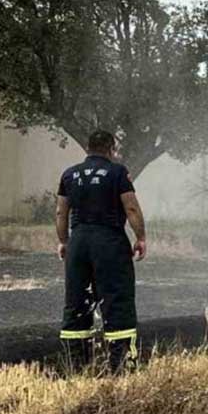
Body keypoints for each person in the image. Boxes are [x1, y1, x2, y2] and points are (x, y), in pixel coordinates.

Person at [55, 130, 147, 373]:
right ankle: (122, 366)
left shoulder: (69, 174)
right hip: (109, 241)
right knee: (117, 299)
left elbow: (61, 212)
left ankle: (76, 367)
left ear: (87, 147)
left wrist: (64, 241)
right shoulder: (117, 172)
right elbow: (132, 208)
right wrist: (141, 238)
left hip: (79, 241)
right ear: (111, 149)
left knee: (76, 301)